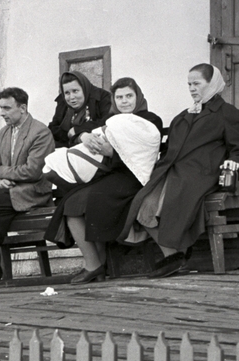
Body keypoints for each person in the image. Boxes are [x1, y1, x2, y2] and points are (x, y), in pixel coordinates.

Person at [122, 63, 239, 278]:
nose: (192, 89)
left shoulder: (226, 113)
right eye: (189, 84)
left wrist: (235, 162)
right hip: (172, 171)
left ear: (212, 84)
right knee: (142, 206)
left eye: (197, 84)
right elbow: (167, 150)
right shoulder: (183, 116)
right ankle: (174, 255)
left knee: (171, 198)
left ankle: (175, 256)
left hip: (201, 174)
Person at [44, 78, 163, 284]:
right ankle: (92, 265)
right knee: (71, 202)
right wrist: (85, 138)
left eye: (129, 96)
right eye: (119, 97)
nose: (124, 101)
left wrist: (112, 153)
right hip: (110, 174)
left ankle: (100, 263)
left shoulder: (150, 120)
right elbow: (91, 138)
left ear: (138, 97)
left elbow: (145, 156)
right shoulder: (111, 121)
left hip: (135, 176)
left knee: (96, 199)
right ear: (114, 101)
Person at [0, 87, 55, 292]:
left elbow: (32, 171)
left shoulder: (40, 132)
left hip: (31, 190)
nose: (2, 113)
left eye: (7, 108)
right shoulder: (4, 132)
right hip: (6, 188)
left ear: (22, 108)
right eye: (1, 108)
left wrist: (0, 174)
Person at [46, 70, 111, 148]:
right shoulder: (63, 103)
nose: (71, 97)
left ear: (84, 88)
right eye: (67, 93)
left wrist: (77, 130)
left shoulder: (102, 97)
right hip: (68, 147)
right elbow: (53, 128)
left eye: (75, 91)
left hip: (97, 147)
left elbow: (107, 122)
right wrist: (69, 134)